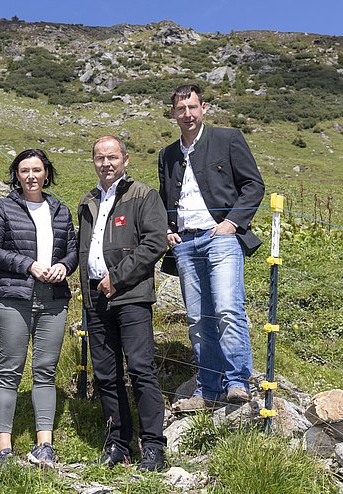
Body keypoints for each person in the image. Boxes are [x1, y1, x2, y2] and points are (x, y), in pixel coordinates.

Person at [157, 84, 265, 410]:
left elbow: (253, 185)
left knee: (228, 308)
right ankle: (208, 390)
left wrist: (231, 223)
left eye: (192, 107)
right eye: (181, 109)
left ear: (203, 108)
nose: (187, 114)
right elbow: (166, 200)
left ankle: (237, 381)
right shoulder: (168, 155)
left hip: (221, 238)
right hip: (185, 243)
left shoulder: (227, 138)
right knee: (197, 319)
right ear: (173, 113)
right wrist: (167, 229)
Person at [77, 135, 169, 472]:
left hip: (130, 297)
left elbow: (155, 242)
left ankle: (154, 447)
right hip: (95, 299)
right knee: (106, 374)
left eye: (112, 157)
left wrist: (117, 277)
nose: (106, 163)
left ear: (125, 159)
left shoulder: (143, 195)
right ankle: (118, 443)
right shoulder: (87, 200)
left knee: (141, 369)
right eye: (100, 158)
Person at [0, 149, 78, 468]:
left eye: (37, 169)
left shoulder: (61, 210)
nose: (31, 176)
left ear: (46, 173)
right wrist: (27, 265)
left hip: (54, 300)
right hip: (16, 299)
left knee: (45, 372)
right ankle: (4, 447)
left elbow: (73, 251)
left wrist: (64, 266)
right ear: (17, 175)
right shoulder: (3, 208)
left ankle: (44, 446)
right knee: (10, 371)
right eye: (25, 170)